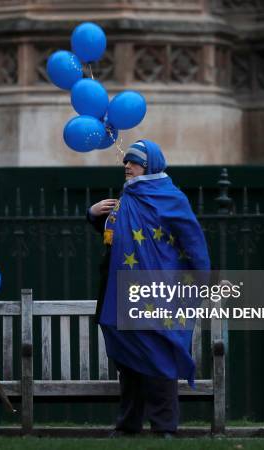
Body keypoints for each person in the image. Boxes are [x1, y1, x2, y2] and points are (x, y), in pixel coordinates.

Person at [87, 139, 210, 438]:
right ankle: (128, 426)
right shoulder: (127, 198)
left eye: (134, 162)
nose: (127, 166)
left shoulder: (171, 198)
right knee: (129, 364)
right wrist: (93, 215)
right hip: (119, 292)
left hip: (155, 293)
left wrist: (202, 282)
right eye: (126, 162)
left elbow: (193, 242)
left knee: (159, 358)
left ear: (150, 164)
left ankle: (164, 426)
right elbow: (115, 237)